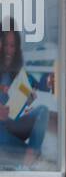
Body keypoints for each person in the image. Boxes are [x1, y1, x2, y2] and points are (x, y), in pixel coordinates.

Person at [0, 25, 48, 164]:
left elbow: (16, 109)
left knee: (42, 111)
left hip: (12, 124)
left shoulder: (16, 71)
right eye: (5, 45)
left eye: (12, 46)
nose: (8, 50)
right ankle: (32, 155)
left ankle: (29, 155)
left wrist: (27, 100)